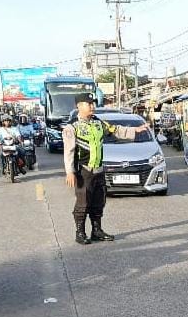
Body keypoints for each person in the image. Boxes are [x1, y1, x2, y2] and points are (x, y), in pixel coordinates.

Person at [63, 93, 149, 245]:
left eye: (93, 103)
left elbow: (115, 130)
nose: (92, 106)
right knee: (83, 203)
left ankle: (97, 231)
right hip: (84, 171)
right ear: (79, 106)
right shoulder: (72, 127)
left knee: (99, 201)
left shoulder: (98, 123)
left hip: (99, 170)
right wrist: (70, 172)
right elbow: (69, 151)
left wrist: (135, 130)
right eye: (89, 104)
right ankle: (80, 232)